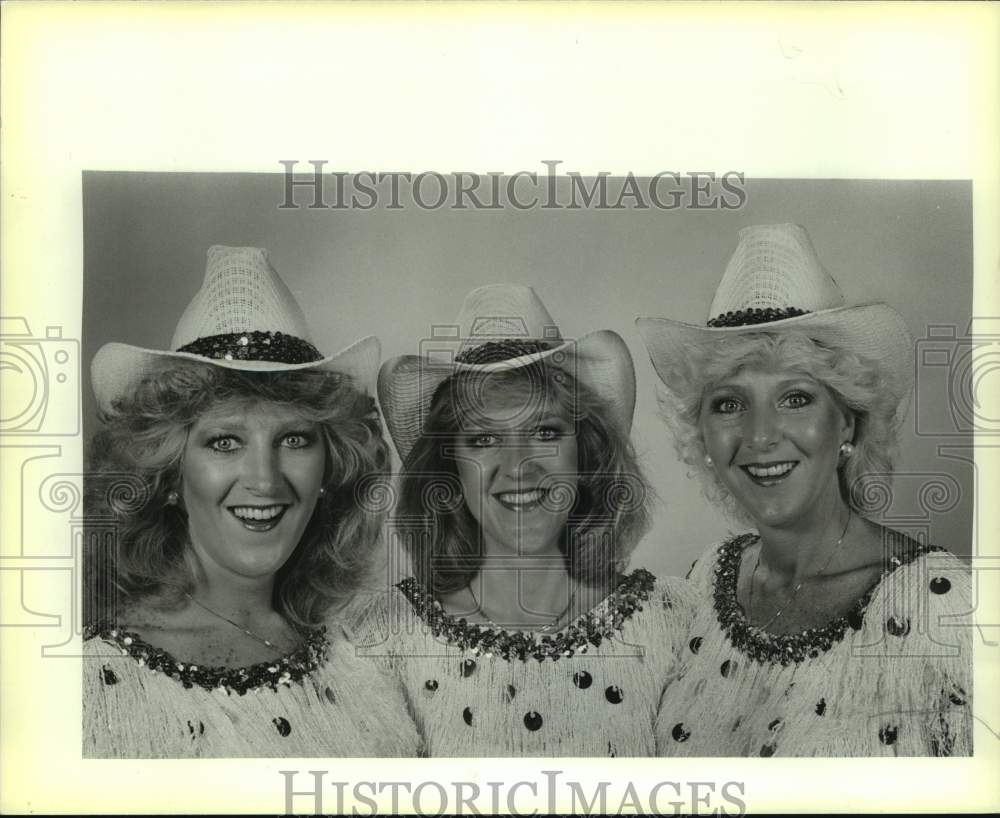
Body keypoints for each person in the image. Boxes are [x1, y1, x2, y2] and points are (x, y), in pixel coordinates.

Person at [636, 223, 973, 757]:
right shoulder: (705, 582)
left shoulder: (944, 607)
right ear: (702, 432)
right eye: (729, 403)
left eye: (794, 397)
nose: (761, 435)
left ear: (849, 424)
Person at [83, 245, 419, 757]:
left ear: (331, 468)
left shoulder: (365, 657)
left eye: (293, 439)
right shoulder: (93, 685)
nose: (264, 481)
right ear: (168, 471)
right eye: (225, 442)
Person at [354, 283, 692, 757]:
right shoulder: (380, 639)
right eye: (484, 440)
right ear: (447, 470)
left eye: (545, 431)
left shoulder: (676, 622)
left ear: (585, 454)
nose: (518, 466)